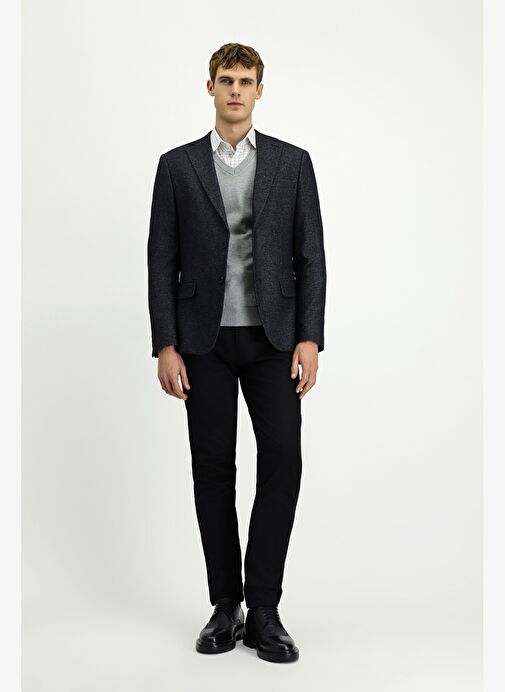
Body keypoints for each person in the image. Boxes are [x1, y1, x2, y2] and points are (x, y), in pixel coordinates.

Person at [147, 42, 326, 663]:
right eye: (226, 80)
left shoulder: (292, 163)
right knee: (212, 468)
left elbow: (311, 256)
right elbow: (161, 260)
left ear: (259, 91)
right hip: (203, 342)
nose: (235, 91)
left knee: (283, 462)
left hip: (274, 340)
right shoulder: (177, 167)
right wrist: (166, 344)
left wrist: (310, 336)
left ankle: (265, 609)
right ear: (210, 87)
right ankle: (226, 606)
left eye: (246, 81)